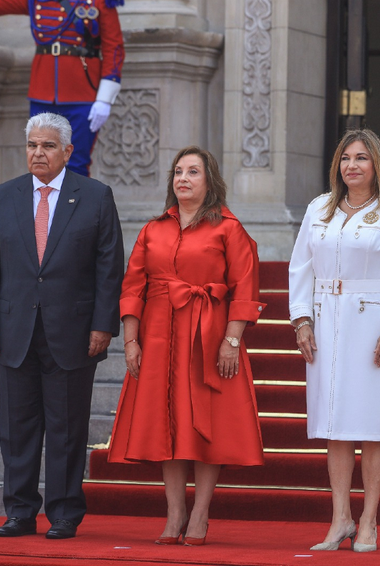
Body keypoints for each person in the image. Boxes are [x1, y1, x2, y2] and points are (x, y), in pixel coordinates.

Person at [0, 112, 124, 539]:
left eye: (48, 146)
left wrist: (103, 326)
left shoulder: (95, 196)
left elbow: (109, 268)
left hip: (73, 333)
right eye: (33, 146)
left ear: (67, 152)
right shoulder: (4, 196)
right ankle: (20, 511)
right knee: (16, 431)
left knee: (67, 429)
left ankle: (63, 514)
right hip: (14, 330)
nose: (39, 153)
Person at [107, 146, 266, 546]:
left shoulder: (229, 228)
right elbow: (132, 288)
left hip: (210, 337)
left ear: (209, 180)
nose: (183, 179)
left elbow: (245, 289)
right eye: (178, 172)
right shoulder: (153, 229)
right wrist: (130, 340)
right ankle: (174, 511)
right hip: (159, 336)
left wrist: (231, 341)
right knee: (168, 426)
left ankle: (200, 513)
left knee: (205, 427)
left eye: (193, 172)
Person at [288, 129, 380, 553]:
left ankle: (368, 521)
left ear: (376, 164)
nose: (352, 166)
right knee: (335, 423)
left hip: (373, 323)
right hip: (326, 322)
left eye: (361, 158)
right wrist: (301, 319)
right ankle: (340, 517)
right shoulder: (319, 209)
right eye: (346, 158)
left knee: (373, 424)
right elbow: (300, 268)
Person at [0, 0, 125, 176]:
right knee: (40, 163)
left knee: (75, 164)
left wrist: (105, 98)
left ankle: (74, 205)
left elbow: (114, 48)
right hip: (43, 93)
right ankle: (44, 206)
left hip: (82, 94)